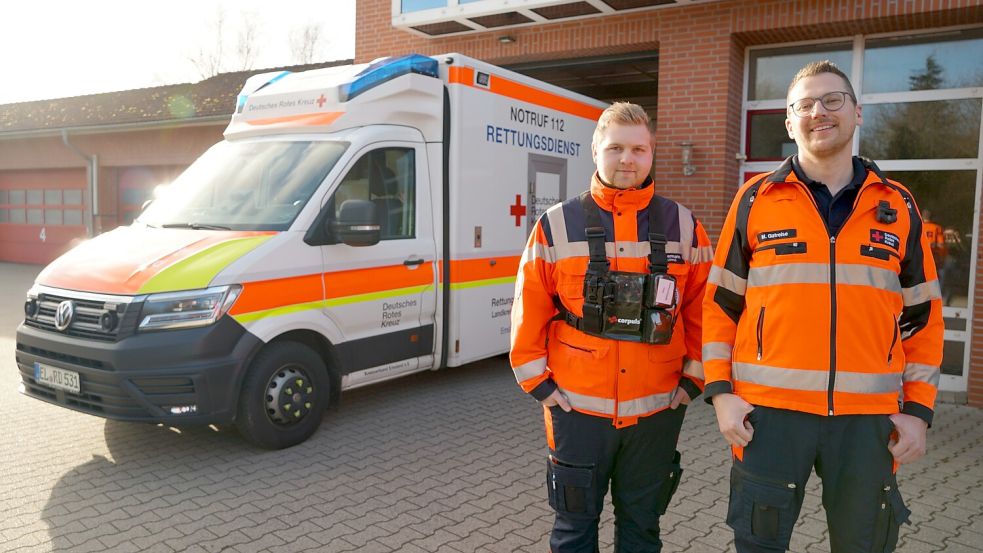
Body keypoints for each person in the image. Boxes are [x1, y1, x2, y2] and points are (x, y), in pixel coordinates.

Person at [703, 60, 944, 553]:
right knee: (759, 546)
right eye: (804, 105)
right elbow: (720, 305)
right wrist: (721, 394)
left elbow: (924, 317)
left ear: (856, 113)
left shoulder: (897, 206)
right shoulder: (756, 200)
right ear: (789, 123)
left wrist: (918, 411)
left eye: (832, 100)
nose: (819, 112)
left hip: (866, 422)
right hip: (768, 418)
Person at [510, 102, 713, 552]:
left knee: (642, 530)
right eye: (616, 148)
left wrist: (693, 379)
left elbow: (704, 309)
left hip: (658, 411)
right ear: (595, 150)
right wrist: (540, 385)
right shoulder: (556, 225)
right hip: (577, 411)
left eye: (639, 149)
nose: (628, 159)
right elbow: (530, 308)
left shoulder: (683, 225)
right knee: (573, 532)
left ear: (652, 153)